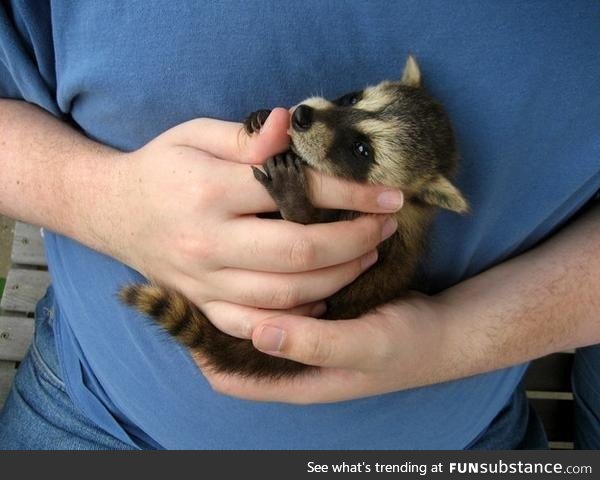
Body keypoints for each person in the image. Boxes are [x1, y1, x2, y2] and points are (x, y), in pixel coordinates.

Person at [0, 1, 598, 449]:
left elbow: (344, 287)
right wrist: (100, 201)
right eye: (356, 99)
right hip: (92, 414)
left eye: (362, 152)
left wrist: (453, 341)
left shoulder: (397, 232)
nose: (320, 114)